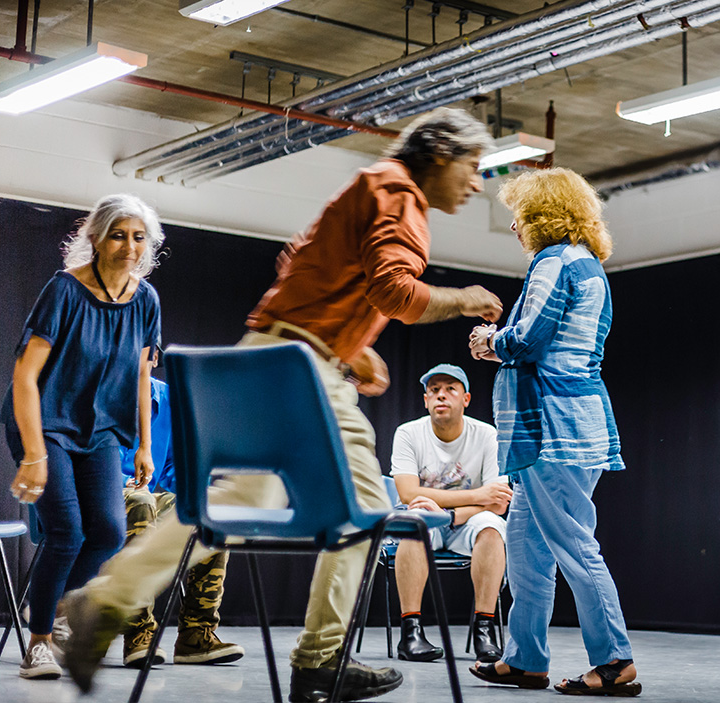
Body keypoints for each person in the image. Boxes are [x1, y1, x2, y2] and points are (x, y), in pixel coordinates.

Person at [59, 107, 504, 703]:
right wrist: (465, 298)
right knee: (365, 509)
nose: (477, 183)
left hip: (264, 354)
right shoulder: (401, 193)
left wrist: (349, 342)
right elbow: (396, 291)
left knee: (237, 501)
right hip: (301, 369)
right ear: (442, 155)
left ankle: (102, 602)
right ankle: (319, 662)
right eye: (474, 168)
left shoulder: (367, 184)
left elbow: (299, 263)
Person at [466, 167, 640, 697]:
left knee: (571, 541)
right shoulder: (587, 266)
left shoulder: (554, 260)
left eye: (520, 216)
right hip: (571, 424)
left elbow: (528, 339)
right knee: (525, 545)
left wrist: (487, 339)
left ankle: (614, 660)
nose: (515, 227)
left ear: (542, 215)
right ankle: (524, 660)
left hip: (552, 428)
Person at [1, 193, 164, 680]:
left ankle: (56, 609)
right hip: (44, 423)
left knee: (111, 532)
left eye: (139, 237)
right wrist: (33, 453)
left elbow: (140, 375)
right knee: (67, 533)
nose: (129, 247)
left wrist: (144, 444)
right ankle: (40, 642)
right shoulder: (64, 290)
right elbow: (25, 376)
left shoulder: (146, 300)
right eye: (118, 235)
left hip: (100, 431)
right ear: (95, 237)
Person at [116, 360, 244, 668]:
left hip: (156, 497)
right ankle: (139, 635)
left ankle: (196, 637)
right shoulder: (98, 394)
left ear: (155, 359)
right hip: (106, 496)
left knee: (209, 509)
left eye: (142, 352)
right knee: (140, 502)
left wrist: (197, 487)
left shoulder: (172, 399)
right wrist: (126, 482)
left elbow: (175, 467)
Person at [389, 363, 511, 663]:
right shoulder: (408, 433)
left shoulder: (487, 435)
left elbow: (498, 503)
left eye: (450, 390)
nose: (441, 396)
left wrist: (450, 512)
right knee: (413, 522)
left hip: (467, 520)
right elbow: (407, 493)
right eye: (434, 391)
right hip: (427, 518)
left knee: (492, 528)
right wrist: (477, 495)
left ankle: (484, 630)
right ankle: (411, 633)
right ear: (426, 399)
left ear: (465, 399)